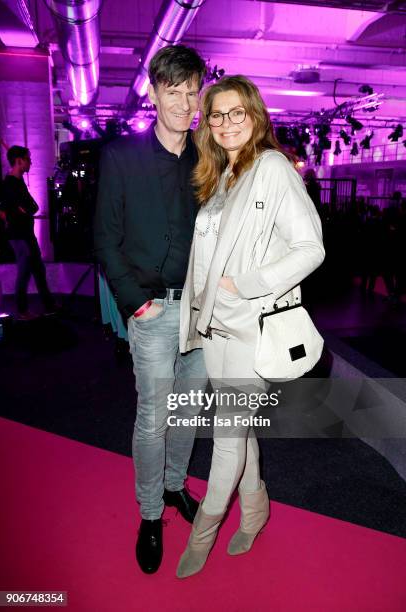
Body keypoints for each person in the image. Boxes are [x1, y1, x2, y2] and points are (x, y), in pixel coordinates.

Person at [178, 75, 325, 578]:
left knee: (225, 435)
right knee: (239, 433)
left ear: (255, 115)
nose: (225, 123)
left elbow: (311, 248)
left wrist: (247, 284)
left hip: (249, 328)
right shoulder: (223, 174)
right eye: (216, 115)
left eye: (236, 112)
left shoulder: (272, 168)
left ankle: (204, 531)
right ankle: (256, 509)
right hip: (215, 328)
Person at [94, 45, 207, 574]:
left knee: (185, 412)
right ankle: (148, 514)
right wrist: (135, 304)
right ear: (155, 91)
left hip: (202, 314)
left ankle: (174, 486)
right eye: (175, 90)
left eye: (193, 91)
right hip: (154, 312)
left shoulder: (207, 159)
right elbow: (105, 240)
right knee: (152, 419)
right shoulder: (121, 156)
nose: (185, 102)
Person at [1, 146, 56, 319]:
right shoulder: (9, 184)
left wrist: (23, 209)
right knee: (25, 271)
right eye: (28, 159)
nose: (31, 162)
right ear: (19, 161)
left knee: (38, 270)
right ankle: (22, 310)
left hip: (26, 234)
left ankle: (49, 306)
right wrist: (20, 210)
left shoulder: (17, 182)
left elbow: (31, 207)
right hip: (18, 235)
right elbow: (26, 207)